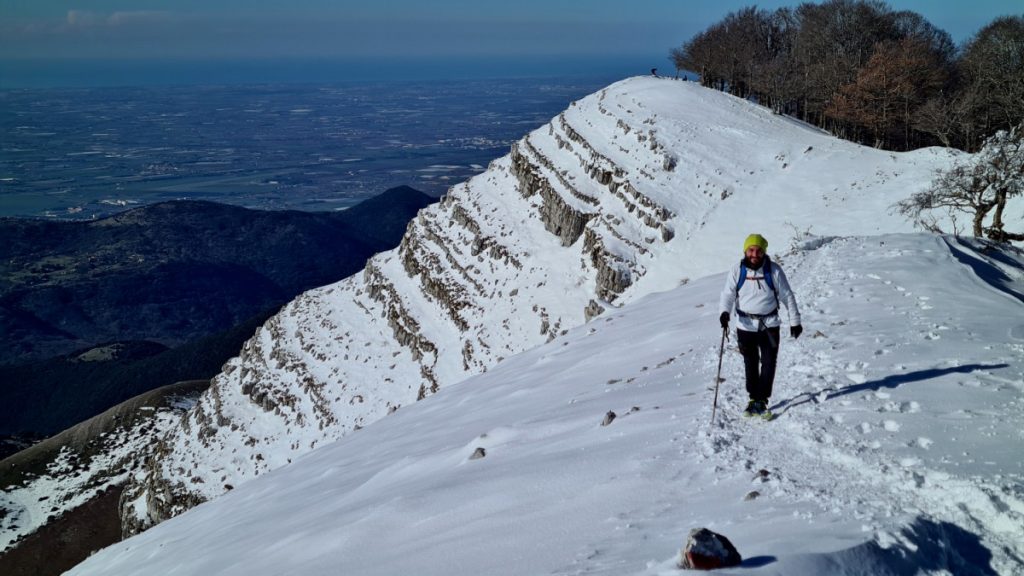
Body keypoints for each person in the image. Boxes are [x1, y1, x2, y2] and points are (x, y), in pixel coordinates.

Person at [718, 234, 802, 418]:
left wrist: (795, 321)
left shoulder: (774, 271)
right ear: (745, 251)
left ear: (764, 252)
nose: (754, 254)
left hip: (769, 325)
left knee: (769, 363)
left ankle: (762, 400)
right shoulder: (737, 270)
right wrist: (724, 312)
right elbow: (728, 294)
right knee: (750, 363)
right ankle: (753, 398)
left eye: (758, 251)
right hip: (745, 326)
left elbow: (787, 295)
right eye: (751, 250)